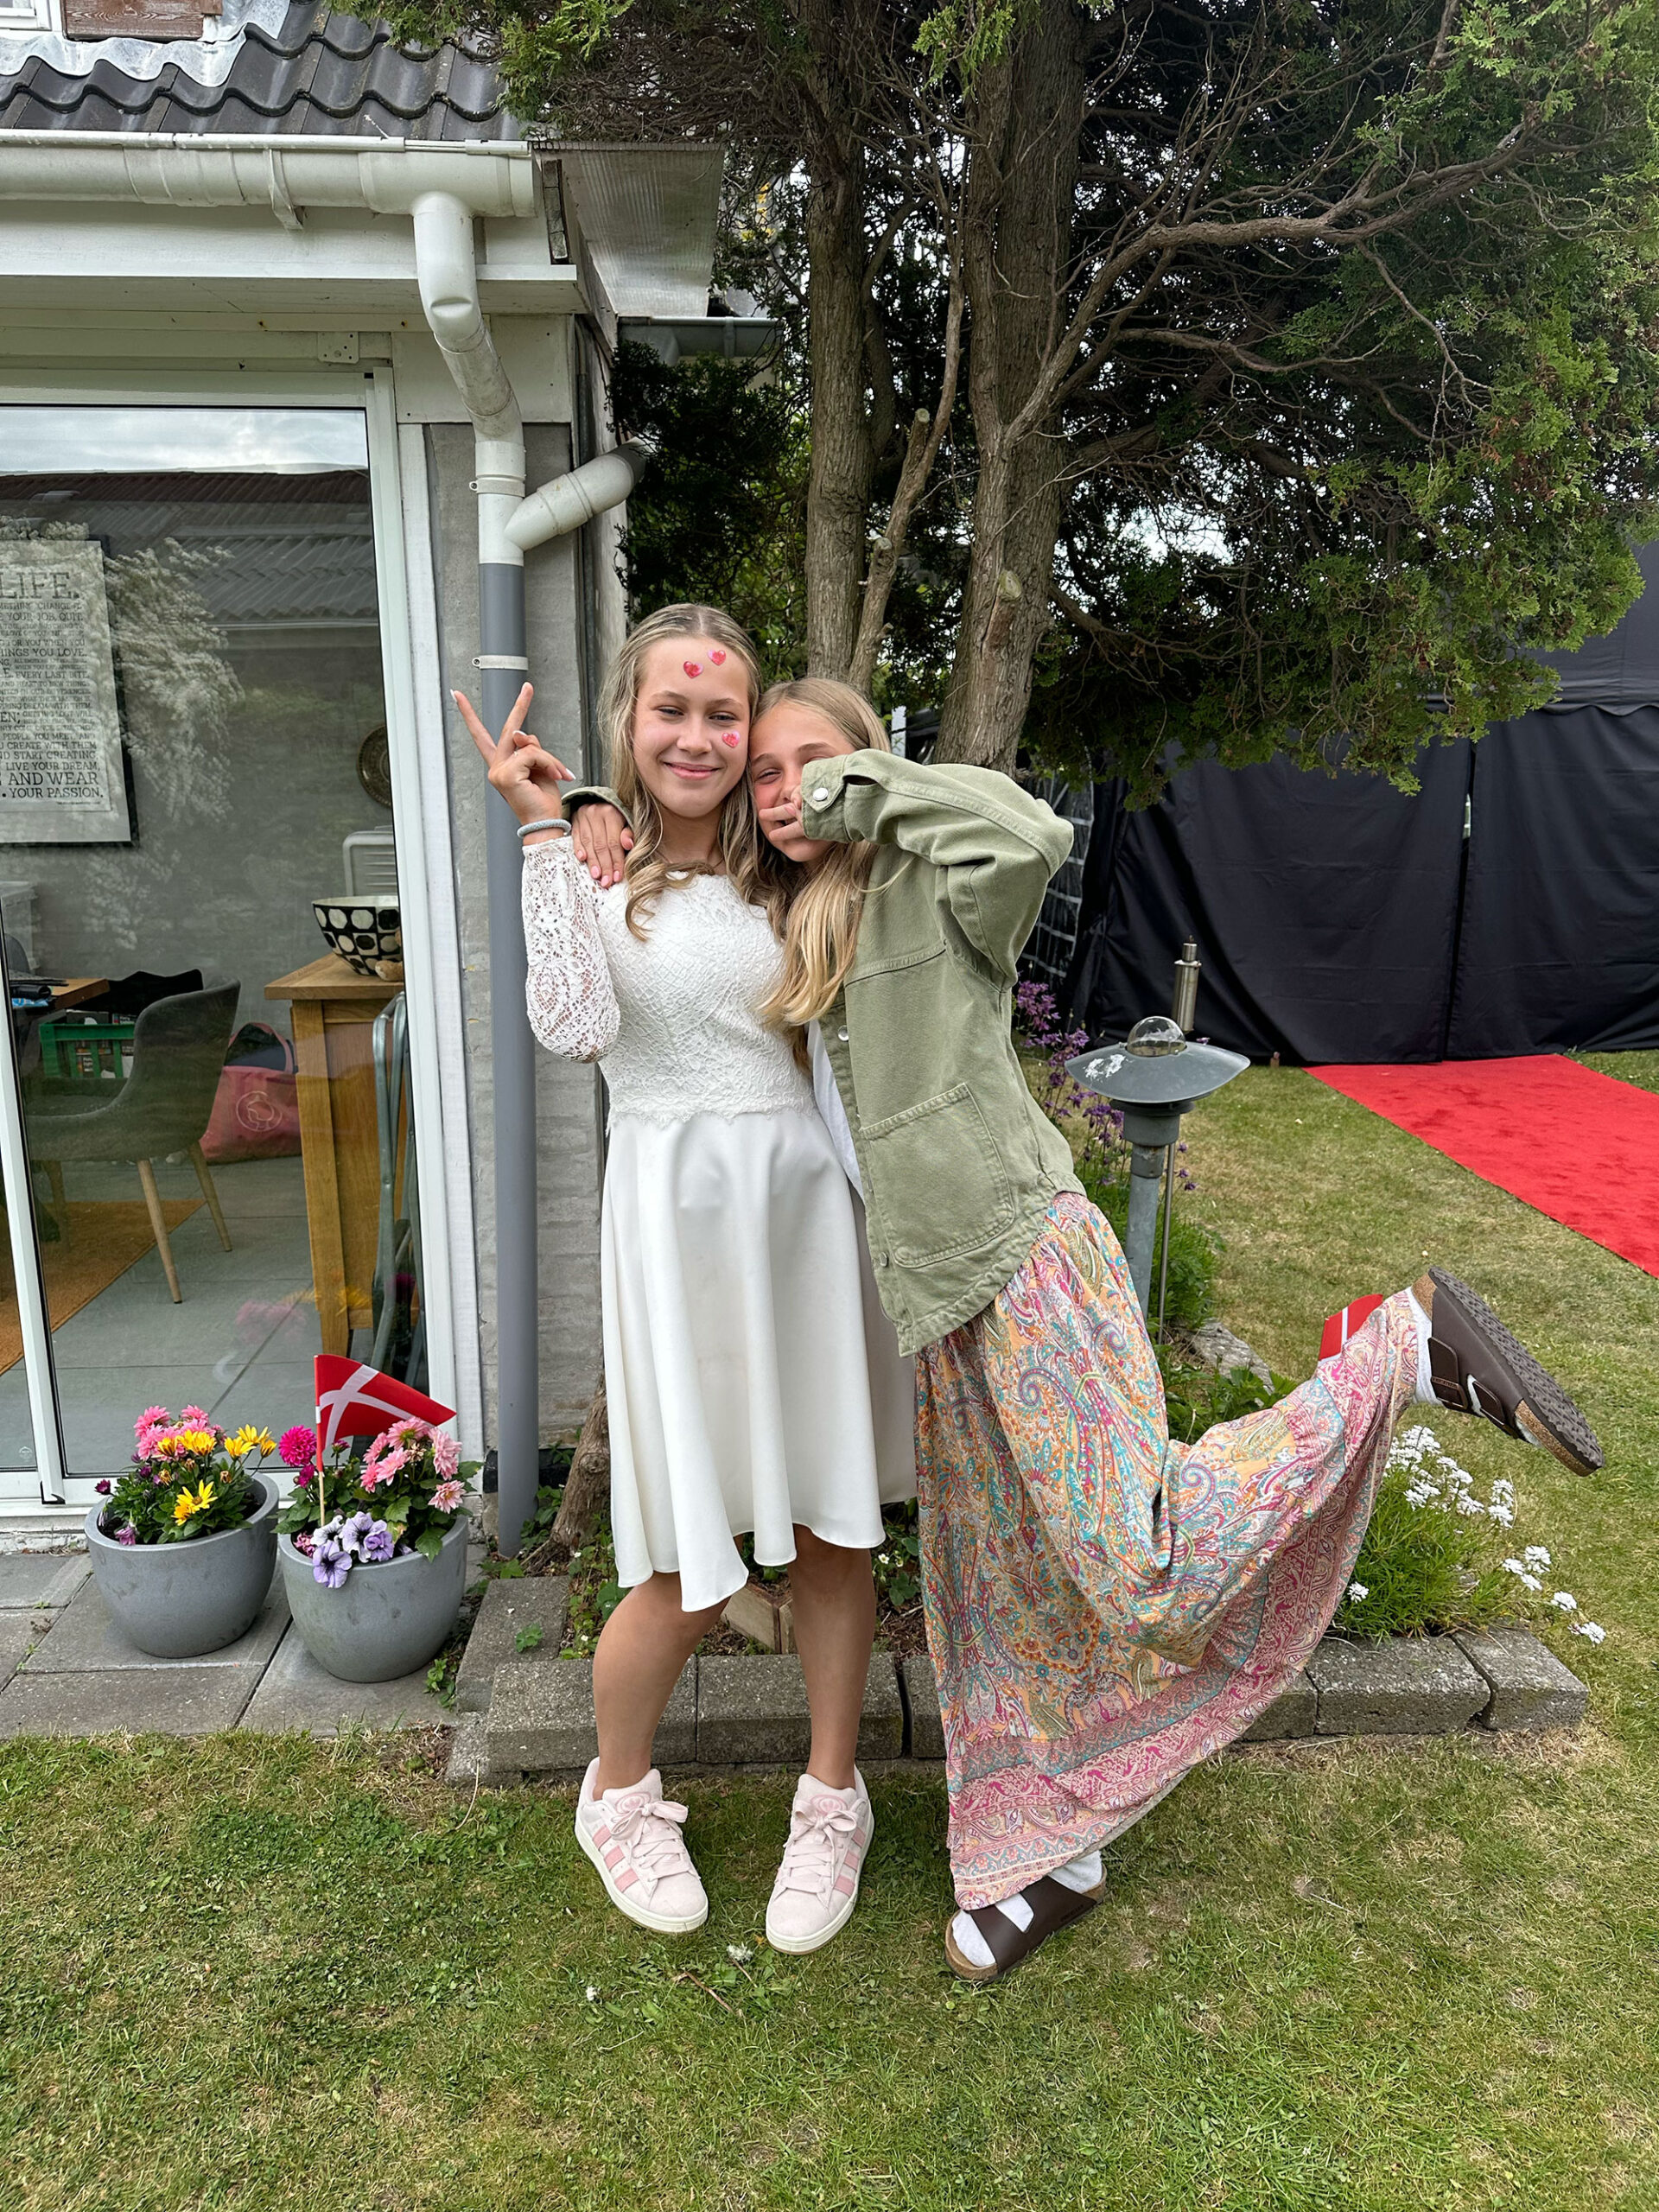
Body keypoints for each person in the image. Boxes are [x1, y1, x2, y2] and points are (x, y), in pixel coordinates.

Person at [731, 673, 1603, 1984]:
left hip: (1025, 1259)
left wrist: (858, 791)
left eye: (813, 760)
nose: (786, 788)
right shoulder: (796, 926)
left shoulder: (932, 885)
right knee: (1006, 1598)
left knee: (1138, 1561)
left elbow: (1028, 833)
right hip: (941, 1309)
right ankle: (1047, 1855)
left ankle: (1394, 1353)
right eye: (766, 772)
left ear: (865, 768)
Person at [453, 608, 913, 1956]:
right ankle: (616, 1792)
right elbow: (573, 1025)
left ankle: (832, 1797)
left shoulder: (802, 870)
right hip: (677, 1226)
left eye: (726, 716)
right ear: (627, 721)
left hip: (809, 1227)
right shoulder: (592, 866)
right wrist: (546, 826)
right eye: (673, 711)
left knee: (834, 1533)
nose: (701, 738)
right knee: (688, 1563)